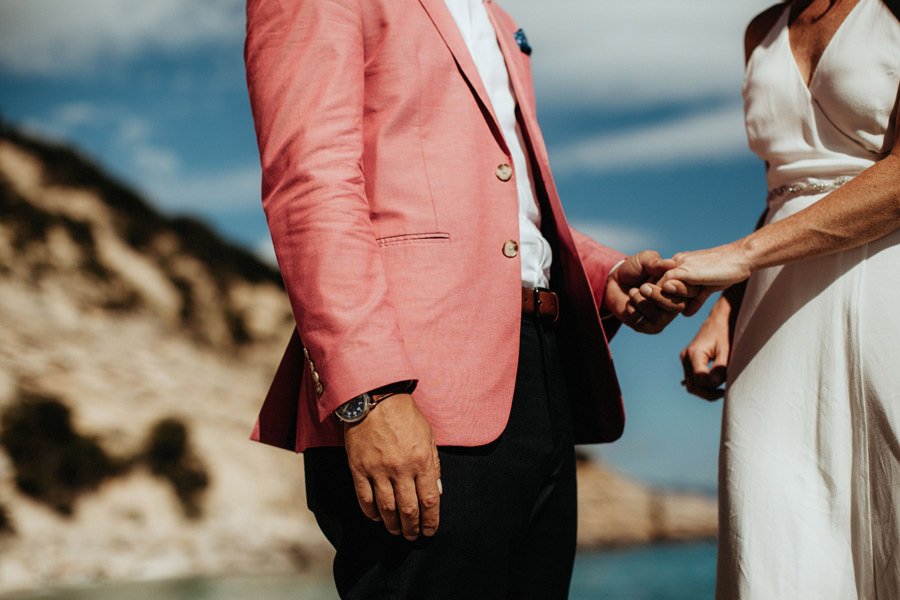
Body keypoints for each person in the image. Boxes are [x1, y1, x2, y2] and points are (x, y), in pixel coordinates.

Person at [243, 0, 695, 598]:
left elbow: (508, 212)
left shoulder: (501, 21)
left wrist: (601, 274)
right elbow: (309, 182)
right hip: (416, 381)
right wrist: (368, 392)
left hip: (541, 373)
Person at [658, 0, 900, 597]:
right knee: (771, 535)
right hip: (775, 315)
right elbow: (784, 189)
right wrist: (730, 305)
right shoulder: (759, 33)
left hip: (887, 295)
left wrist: (737, 256)